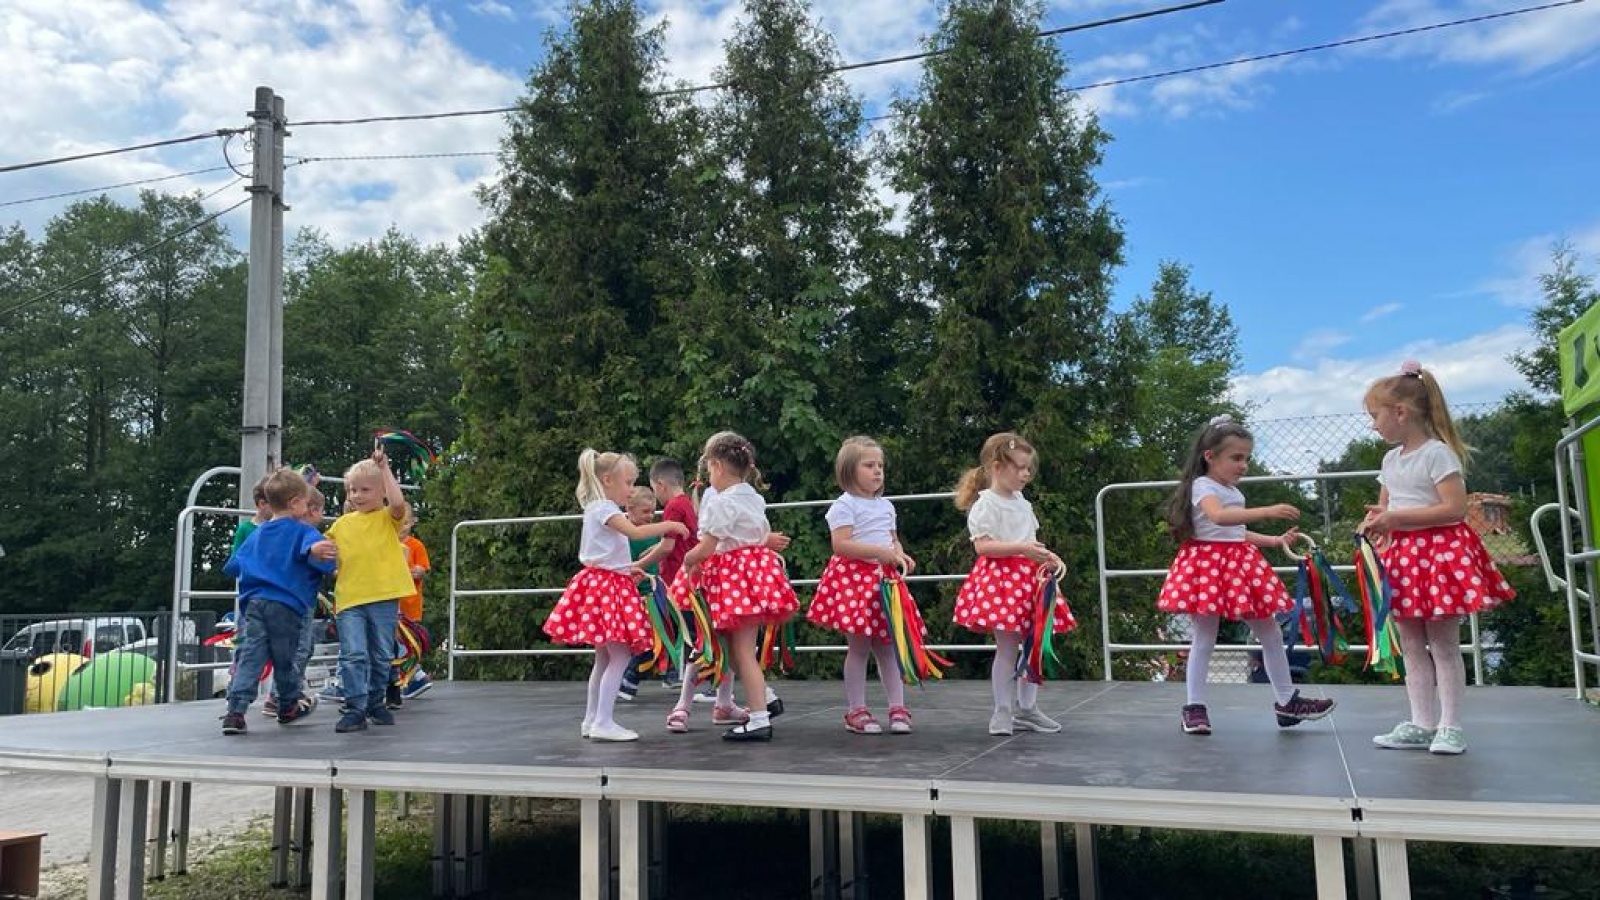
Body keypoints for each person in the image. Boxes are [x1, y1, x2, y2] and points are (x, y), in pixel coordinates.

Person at [1362, 361, 1515, 756]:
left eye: (1374, 416)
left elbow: (1454, 508)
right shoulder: (1390, 461)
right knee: (1411, 643)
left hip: (1439, 554)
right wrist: (1376, 526)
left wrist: (1397, 518)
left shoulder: (1437, 454)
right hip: (1405, 557)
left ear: (1401, 412)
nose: (1373, 425)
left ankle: (1450, 725)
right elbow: (1384, 509)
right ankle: (1421, 721)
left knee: (1444, 643)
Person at [1157, 415, 1336, 736]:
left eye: (1247, 458)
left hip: (1237, 564)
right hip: (1209, 565)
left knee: (1269, 631)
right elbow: (1217, 517)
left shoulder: (1230, 490)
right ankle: (1194, 706)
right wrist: (1267, 511)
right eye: (1236, 458)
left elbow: (1235, 530)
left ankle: (1286, 700)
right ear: (1209, 456)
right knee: (1205, 636)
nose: (1244, 465)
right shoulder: (1203, 486)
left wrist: (1273, 540)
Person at [543, 449, 689, 742]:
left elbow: (610, 553)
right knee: (620, 655)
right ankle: (603, 721)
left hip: (607, 581)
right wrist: (670, 525)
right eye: (627, 483)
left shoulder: (599, 509)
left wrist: (630, 568)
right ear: (607, 480)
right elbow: (635, 534)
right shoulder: (604, 509)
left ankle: (592, 718)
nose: (631, 490)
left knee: (604, 658)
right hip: (607, 587)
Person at [672, 431, 799, 741]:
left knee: (741, 652)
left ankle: (758, 718)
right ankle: (762, 702)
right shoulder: (753, 497)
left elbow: (707, 547)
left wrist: (688, 560)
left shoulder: (721, 503)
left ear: (716, 465)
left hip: (735, 579)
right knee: (741, 649)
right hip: (756, 575)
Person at [952, 432, 1074, 737]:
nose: (1025, 474)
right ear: (997, 467)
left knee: (1033, 644)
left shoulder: (1022, 503)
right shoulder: (985, 505)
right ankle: (1003, 710)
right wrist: (1021, 549)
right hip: (1001, 582)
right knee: (1007, 648)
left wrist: (1047, 557)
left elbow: (1029, 541)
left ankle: (1027, 708)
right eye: (1019, 467)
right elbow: (983, 547)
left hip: (1030, 580)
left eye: (1027, 468)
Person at [806, 436, 921, 735]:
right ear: (849, 470)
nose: (877, 471)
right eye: (869, 465)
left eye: (880, 465)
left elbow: (891, 538)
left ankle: (897, 706)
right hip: (856, 581)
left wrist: (898, 553)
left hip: (884, 580)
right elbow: (841, 545)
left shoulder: (886, 506)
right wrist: (879, 553)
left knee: (887, 646)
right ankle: (856, 709)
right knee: (858, 647)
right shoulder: (844, 505)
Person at [220, 469, 337, 734]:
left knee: (251, 656)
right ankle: (287, 704)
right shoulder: (302, 532)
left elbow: (234, 565)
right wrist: (317, 552)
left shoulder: (257, 534)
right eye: (307, 504)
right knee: (286, 658)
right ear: (295, 503)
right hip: (286, 605)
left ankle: (235, 711)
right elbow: (322, 559)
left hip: (254, 604)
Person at [326, 448, 414, 734]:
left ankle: (377, 702)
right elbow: (325, 554)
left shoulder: (388, 518)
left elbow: (399, 502)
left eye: (365, 489)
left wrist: (385, 468)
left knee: (380, 654)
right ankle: (355, 707)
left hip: (383, 597)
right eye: (352, 489)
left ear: (381, 492)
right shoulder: (340, 524)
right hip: (350, 599)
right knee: (353, 654)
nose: (357, 495)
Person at [263, 485, 329, 719]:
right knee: (299, 648)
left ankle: (285, 693)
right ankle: (282, 695)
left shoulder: (283, 531)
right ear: (312, 510)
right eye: (321, 511)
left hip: (291, 599)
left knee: (298, 647)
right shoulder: (305, 535)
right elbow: (319, 564)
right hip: (299, 600)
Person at [618, 487, 668, 701]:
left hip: (654, 592)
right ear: (629, 509)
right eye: (645, 512)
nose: (650, 517)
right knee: (640, 640)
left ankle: (635, 677)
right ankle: (628, 678)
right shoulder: (622, 533)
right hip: (633, 595)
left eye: (652, 512)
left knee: (660, 636)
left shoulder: (655, 532)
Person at [386, 512, 434, 708]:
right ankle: (411, 678)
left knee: (405, 642)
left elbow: (423, 567)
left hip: (408, 604)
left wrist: (418, 570)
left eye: (406, 522)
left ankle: (415, 676)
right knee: (396, 643)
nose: (402, 527)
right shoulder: (387, 542)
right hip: (394, 603)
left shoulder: (415, 545)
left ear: (413, 522)